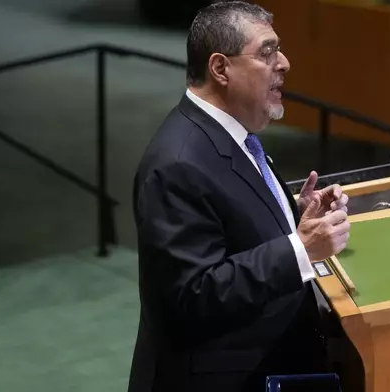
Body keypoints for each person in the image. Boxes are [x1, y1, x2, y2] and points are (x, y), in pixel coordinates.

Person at [128, 2, 350, 391]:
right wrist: (301, 249)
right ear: (220, 68)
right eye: (267, 52)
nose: (284, 62)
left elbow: (225, 223)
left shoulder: (233, 133)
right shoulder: (177, 164)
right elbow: (191, 296)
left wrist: (292, 215)